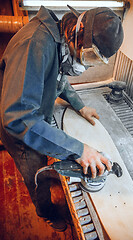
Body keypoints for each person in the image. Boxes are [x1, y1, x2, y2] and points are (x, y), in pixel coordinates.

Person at [0, 5, 124, 231]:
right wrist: (79, 150)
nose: (86, 64)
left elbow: (57, 77)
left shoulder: (57, 37)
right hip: (18, 129)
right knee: (34, 170)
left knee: (46, 154)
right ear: (77, 31)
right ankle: (45, 211)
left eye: (95, 60)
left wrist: (80, 106)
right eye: (89, 56)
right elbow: (17, 118)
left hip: (32, 116)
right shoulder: (35, 45)